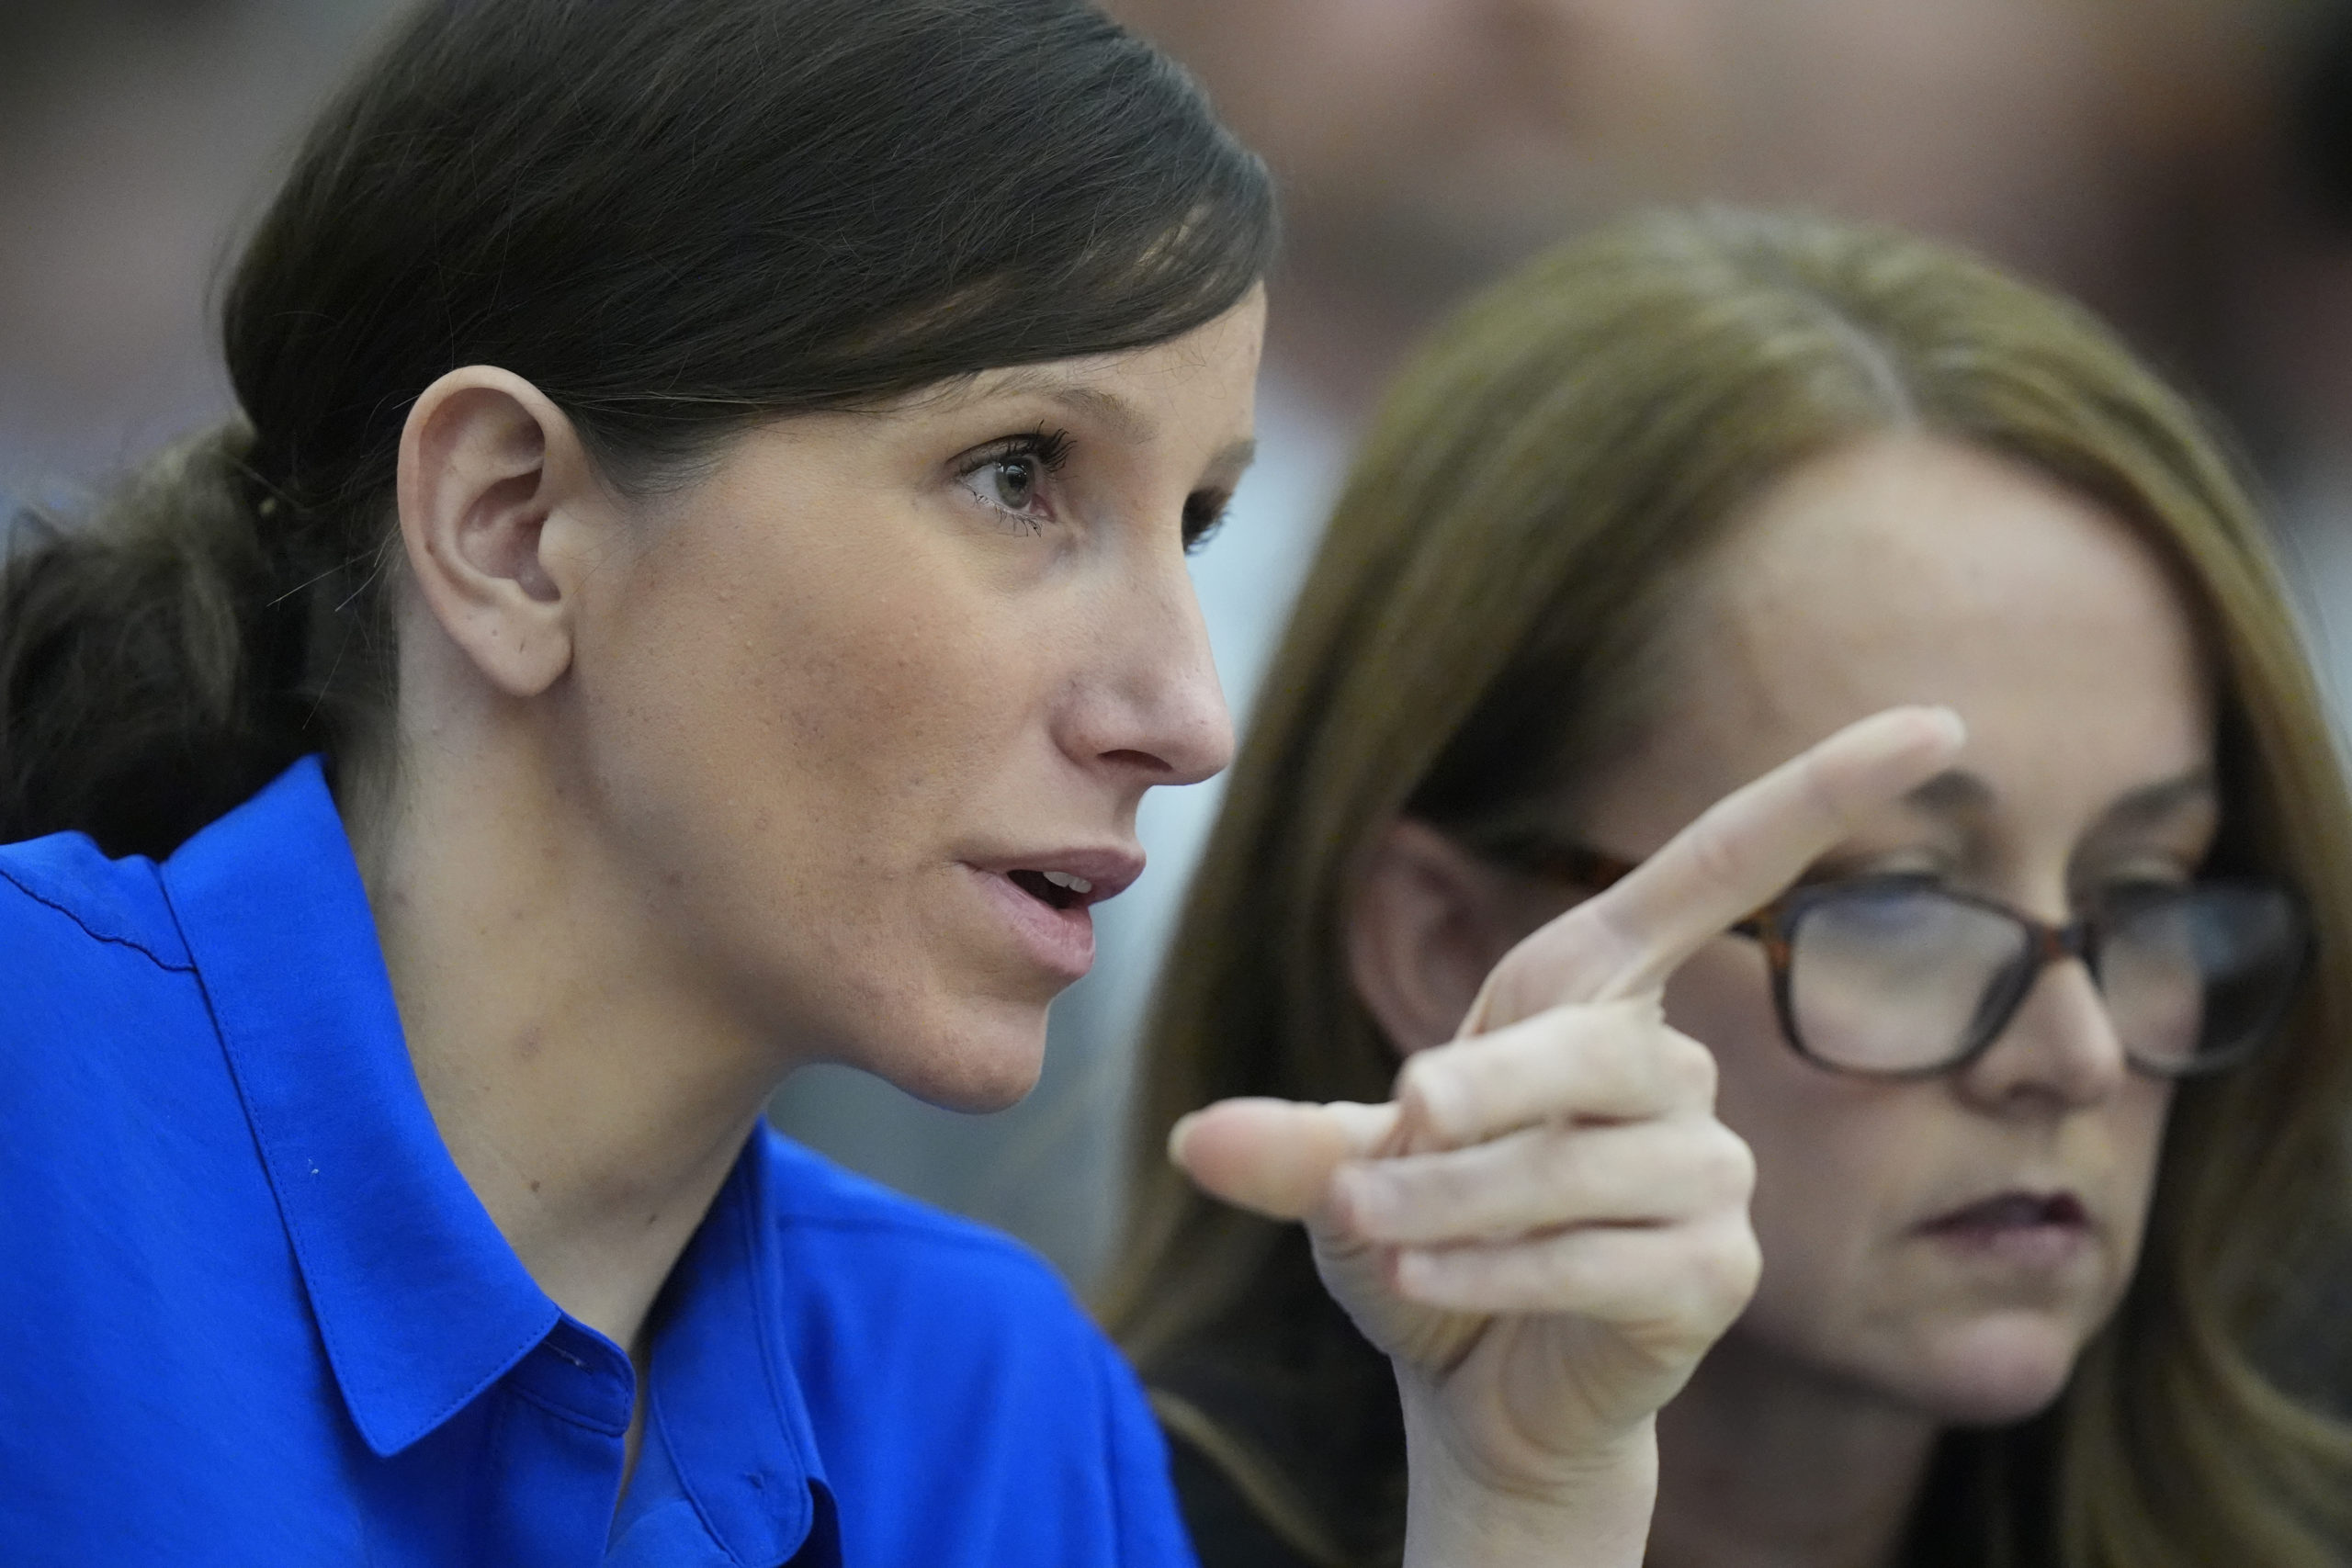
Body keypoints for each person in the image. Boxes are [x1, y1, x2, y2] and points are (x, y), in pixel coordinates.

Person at [0, 4, 1962, 1562]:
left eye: (1192, 520)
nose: (1184, 711)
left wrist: (1521, 1496)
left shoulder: (999, 1407)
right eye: (1020, 473)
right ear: (512, 526)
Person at [1106, 208, 2352, 1568]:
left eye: (2149, 888)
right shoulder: (1047, 1519)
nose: (2076, 1054)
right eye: (1899, 900)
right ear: (1446, 944)